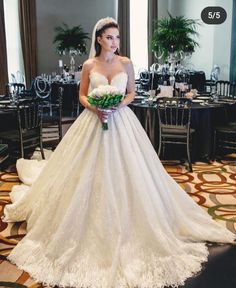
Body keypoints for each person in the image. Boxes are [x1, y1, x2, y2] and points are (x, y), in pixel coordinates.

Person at [3, 17, 235, 288]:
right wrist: (96, 107)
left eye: (118, 38)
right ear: (99, 39)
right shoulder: (89, 65)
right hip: (93, 121)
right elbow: (81, 96)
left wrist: (116, 106)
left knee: (134, 172)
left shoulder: (126, 63)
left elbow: (132, 93)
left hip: (122, 121)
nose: (115, 42)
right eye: (110, 37)